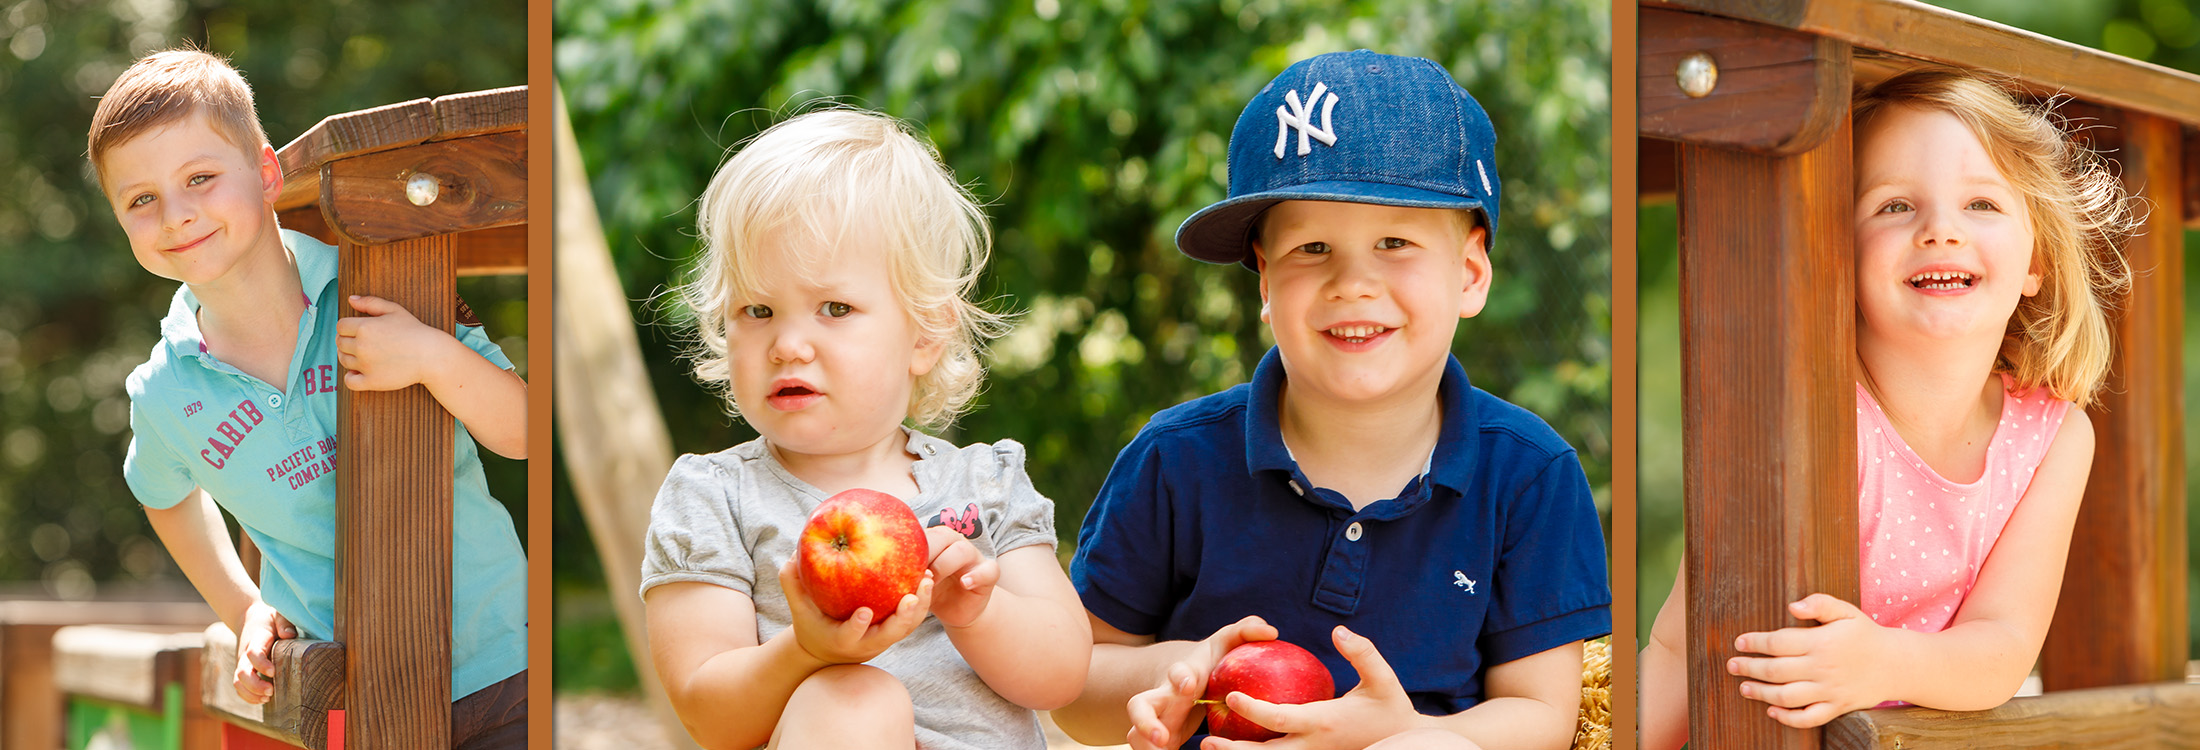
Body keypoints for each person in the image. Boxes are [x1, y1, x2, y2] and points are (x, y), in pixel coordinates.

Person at [1056, 50, 1610, 750]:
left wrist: (1406, 739)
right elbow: (1076, 688)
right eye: (1313, 247)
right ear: (1263, 281)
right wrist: (1181, 673)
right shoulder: (1174, 461)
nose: (1353, 283)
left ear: (1469, 274)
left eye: (1394, 241)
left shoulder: (1530, 474)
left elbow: (1542, 714)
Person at [1640, 68, 2134, 747]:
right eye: (1896, 205)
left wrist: (1881, 661)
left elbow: (2003, 647)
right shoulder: (1807, 408)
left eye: (1983, 205)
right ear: (1841, 253)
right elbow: (1681, 643)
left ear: (2036, 261)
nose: (1940, 230)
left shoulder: (2051, 437)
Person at [97, 49, 529, 747]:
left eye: (200, 178)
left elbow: (525, 433)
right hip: (347, 702)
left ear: (267, 174)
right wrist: (241, 607)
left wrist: (430, 354)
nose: (176, 215)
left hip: (504, 662)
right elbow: (162, 495)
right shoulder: (164, 390)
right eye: (141, 199)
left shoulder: (384, 283)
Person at [638, 107, 1092, 750]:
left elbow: (1063, 676)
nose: (789, 345)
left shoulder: (982, 484)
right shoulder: (715, 498)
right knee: (854, 696)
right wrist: (807, 650)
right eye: (757, 309)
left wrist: (978, 612)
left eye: (834, 308)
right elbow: (709, 717)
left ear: (925, 334)